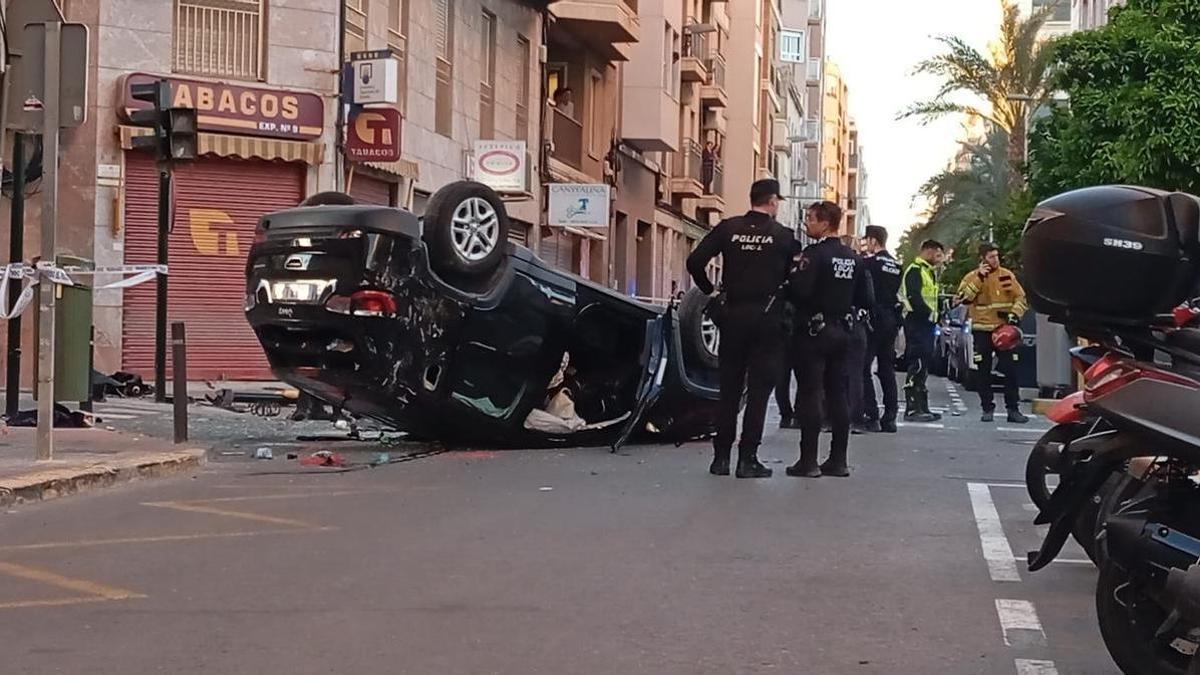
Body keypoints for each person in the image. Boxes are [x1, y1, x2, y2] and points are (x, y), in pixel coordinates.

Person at [686, 179, 796, 478]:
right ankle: (748, 459)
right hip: (767, 318)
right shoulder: (784, 236)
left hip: (733, 315)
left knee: (729, 390)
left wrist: (710, 291)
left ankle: (720, 459)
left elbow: (695, 261)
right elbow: (794, 280)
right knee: (759, 391)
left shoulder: (728, 228)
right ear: (772, 201)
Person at [786, 201, 871, 478]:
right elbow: (866, 298)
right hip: (842, 331)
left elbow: (800, 291)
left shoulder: (814, 254)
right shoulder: (854, 257)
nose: (807, 223)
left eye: (811, 219)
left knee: (810, 392)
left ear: (825, 223)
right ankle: (838, 459)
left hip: (813, 331)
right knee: (838, 393)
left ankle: (808, 461)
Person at [956, 243, 1030, 423]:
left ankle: (1013, 410)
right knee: (983, 371)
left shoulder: (1007, 275)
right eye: (991, 257)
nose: (995, 260)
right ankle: (987, 408)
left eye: (997, 256)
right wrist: (979, 278)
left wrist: (1015, 315)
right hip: (982, 331)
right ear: (982, 259)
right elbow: (964, 298)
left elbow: (1021, 297)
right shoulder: (972, 277)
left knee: (1010, 370)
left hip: (1004, 330)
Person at [859, 225, 903, 433]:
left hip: (873, 318)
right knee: (886, 367)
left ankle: (871, 413)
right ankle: (891, 417)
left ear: (874, 241)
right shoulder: (897, 265)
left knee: (863, 366)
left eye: (867, 240)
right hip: (891, 319)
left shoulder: (869, 263)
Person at [901, 239, 945, 423]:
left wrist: (938, 313)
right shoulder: (915, 271)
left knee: (924, 364)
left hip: (927, 324)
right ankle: (912, 407)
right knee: (917, 363)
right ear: (928, 251)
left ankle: (922, 406)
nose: (940, 260)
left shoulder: (929, 272)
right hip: (917, 322)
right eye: (938, 255)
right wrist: (928, 314)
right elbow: (914, 297)